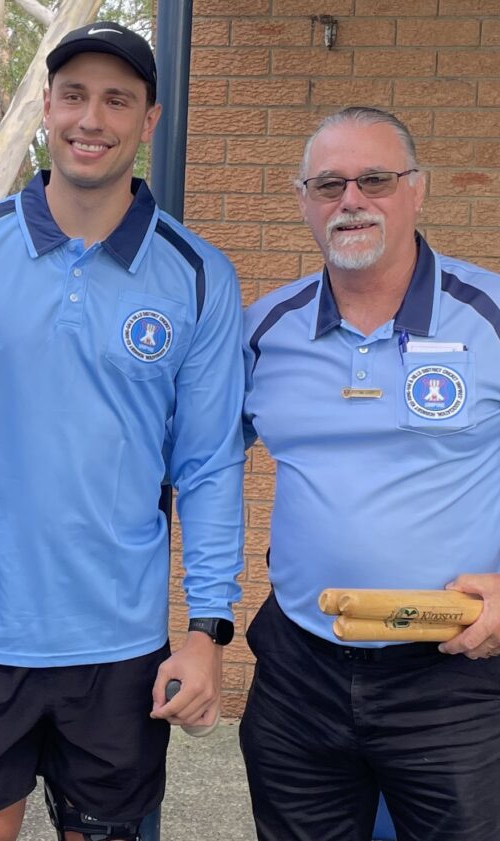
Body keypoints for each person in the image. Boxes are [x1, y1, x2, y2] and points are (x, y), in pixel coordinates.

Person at [0, 22, 245, 841]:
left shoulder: (201, 275)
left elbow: (211, 462)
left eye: (117, 100)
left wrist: (209, 627)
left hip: (117, 639)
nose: (90, 118)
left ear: (148, 121)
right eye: (73, 95)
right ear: (44, 107)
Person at [240, 106, 500, 841]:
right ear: (303, 201)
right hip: (300, 669)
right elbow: (194, 458)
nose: (350, 200)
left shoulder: (488, 316)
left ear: (417, 190)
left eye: (375, 180)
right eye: (328, 184)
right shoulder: (266, 330)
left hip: (451, 671)